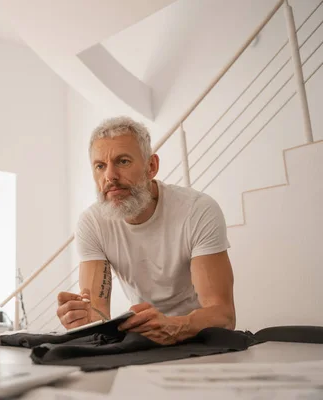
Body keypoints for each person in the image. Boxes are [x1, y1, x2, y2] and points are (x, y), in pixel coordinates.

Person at [57, 116, 236, 345]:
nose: (109, 176)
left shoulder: (197, 210)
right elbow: (98, 314)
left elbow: (224, 315)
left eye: (122, 161)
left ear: (151, 166)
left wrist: (178, 326)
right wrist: (83, 319)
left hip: (200, 339)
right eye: (100, 166)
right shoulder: (92, 223)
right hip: (144, 341)